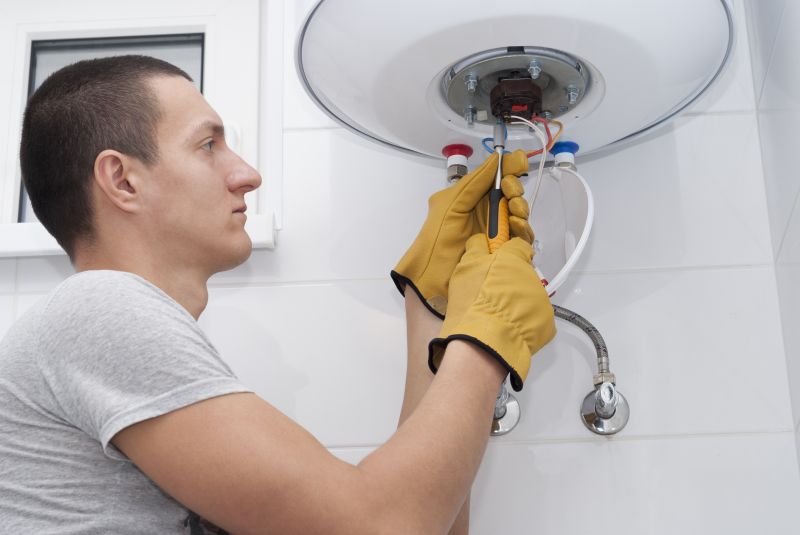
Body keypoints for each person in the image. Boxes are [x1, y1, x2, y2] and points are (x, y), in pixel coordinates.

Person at [0, 55, 555, 534]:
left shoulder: (106, 334)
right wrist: (487, 338)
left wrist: (431, 312)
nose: (247, 174)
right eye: (208, 145)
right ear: (122, 181)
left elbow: (416, 521)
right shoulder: (101, 310)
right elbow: (380, 527)